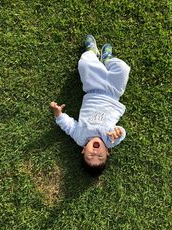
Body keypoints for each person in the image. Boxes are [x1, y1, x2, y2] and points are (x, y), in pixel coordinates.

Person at [50, 35, 130, 175]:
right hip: (113, 93)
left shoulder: (80, 137)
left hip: (92, 89)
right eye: (100, 156)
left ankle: (92, 52)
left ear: (83, 150)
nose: (95, 152)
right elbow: (121, 134)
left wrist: (58, 114)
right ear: (107, 152)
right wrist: (119, 132)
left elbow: (69, 126)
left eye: (90, 156)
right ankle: (107, 59)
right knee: (123, 69)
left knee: (84, 64)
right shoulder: (109, 140)